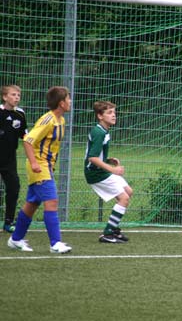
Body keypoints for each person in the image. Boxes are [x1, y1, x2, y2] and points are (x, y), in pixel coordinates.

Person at [7, 86, 72, 253]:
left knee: (32, 204)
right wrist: (34, 163)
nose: (70, 101)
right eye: (68, 99)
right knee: (52, 201)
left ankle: (15, 239)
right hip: (39, 166)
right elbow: (28, 141)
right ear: (61, 103)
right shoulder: (47, 120)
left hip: (46, 166)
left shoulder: (61, 120)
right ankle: (55, 244)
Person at [84, 101, 133, 243]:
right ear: (100, 116)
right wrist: (113, 169)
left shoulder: (102, 130)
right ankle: (108, 233)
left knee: (128, 191)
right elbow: (92, 158)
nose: (114, 115)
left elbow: (95, 153)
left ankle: (114, 228)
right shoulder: (99, 132)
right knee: (124, 198)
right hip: (95, 174)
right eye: (109, 113)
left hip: (100, 170)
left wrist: (108, 160)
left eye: (114, 113)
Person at [0, 85, 28, 233]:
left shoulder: (20, 114)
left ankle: (8, 222)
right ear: (5, 97)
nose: (16, 97)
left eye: (18, 95)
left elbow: (25, 136)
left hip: (9, 160)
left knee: (14, 187)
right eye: (13, 94)